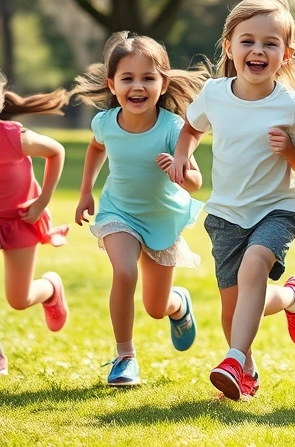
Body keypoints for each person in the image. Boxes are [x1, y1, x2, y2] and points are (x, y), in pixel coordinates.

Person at [168, 0, 295, 401]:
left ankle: (233, 358)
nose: (258, 50)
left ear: (285, 54)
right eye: (247, 40)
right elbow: (191, 128)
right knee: (233, 307)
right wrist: (182, 156)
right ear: (229, 47)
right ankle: (288, 303)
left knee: (254, 267)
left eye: (270, 43)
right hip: (226, 214)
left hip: (276, 209)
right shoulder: (215, 94)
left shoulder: (291, 106)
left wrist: (289, 151)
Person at [72, 31, 207, 387]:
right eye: (128, 78)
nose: (138, 86)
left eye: (148, 78)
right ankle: (124, 357)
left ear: (163, 84)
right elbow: (96, 148)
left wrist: (178, 172)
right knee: (124, 273)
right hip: (119, 212)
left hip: (162, 220)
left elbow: (196, 181)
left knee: (155, 307)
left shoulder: (172, 128)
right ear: (112, 84)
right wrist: (86, 191)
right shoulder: (104, 122)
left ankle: (178, 304)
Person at [0, 55, 73, 377]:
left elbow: (57, 152)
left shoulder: (15, 137)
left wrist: (41, 201)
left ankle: (51, 288)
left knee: (19, 299)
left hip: (22, 218)